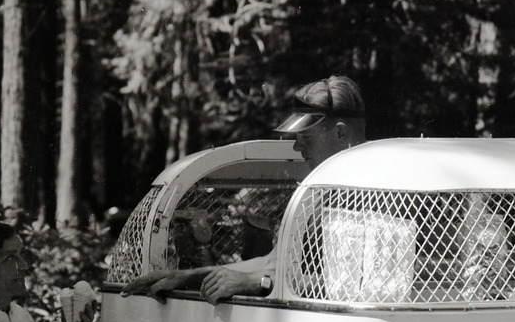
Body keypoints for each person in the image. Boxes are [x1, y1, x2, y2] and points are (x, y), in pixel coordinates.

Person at [126, 74, 366, 303]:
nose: (296, 148)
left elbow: (360, 283)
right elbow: (273, 264)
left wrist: (260, 283)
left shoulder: (373, 191)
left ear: (340, 132)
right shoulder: (319, 192)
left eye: (307, 139)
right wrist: (184, 277)